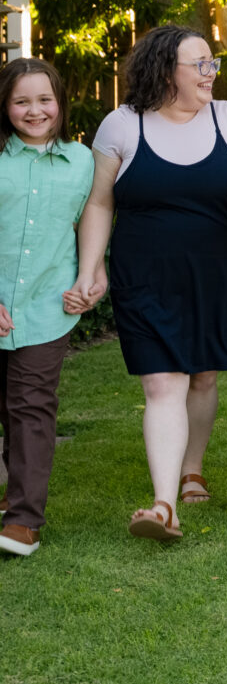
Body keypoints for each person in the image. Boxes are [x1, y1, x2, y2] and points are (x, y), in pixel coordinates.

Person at [74, 27, 227, 541]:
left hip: (216, 274)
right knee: (162, 382)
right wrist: (92, 267)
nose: (210, 73)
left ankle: (192, 466)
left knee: (203, 377)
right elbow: (100, 202)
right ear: (164, 69)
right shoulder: (122, 125)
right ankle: (164, 503)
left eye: (212, 62)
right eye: (199, 64)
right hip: (144, 275)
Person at [0, 59, 94, 557]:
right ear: (5, 106)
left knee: (31, 408)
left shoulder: (82, 160)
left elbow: (91, 223)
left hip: (45, 306)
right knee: (5, 409)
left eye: (44, 100)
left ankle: (24, 520)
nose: (34, 111)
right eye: (21, 101)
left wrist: (91, 276)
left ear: (60, 101)